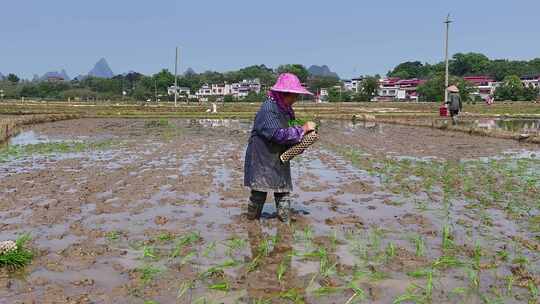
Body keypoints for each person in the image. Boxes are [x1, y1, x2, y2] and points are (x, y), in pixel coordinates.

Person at [244, 73, 316, 223]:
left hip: (279, 154)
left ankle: (285, 224)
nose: (296, 99)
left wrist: (301, 141)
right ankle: (251, 223)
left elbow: (289, 130)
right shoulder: (268, 109)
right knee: (259, 191)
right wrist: (302, 129)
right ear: (284, 94)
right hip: (262, 156)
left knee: (283, 191)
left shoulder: (286, 109)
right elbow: (277, 134)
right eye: (294, 95)